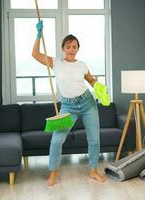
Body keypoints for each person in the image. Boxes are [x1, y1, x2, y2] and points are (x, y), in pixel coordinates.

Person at [32, 20, 108, 186]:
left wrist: (100, 88)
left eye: (74, 47)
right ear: (63, 48)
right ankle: (53, 172)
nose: (71, 50)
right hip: (68, 106)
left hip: (88, 103)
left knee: (94, 139)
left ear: (77, 49)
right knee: (57, 140)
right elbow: (35, 54)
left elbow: (91, 81)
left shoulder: (82, 65)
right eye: (68, 46)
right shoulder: (56, 63)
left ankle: (93, 170)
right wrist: (38, 35)